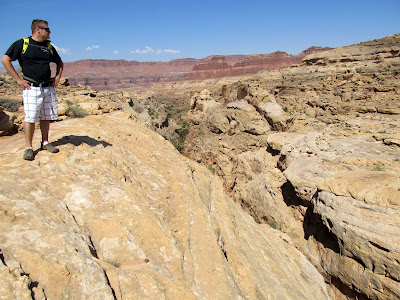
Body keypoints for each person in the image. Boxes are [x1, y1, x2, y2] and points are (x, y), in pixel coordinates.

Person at [1, 19, 64, 161]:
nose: (49, 32)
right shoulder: (23, 44)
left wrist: (57, 77)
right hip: (31, 87)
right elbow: (5, 59)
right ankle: (29, 147)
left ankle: (45, 142)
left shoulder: (48, 47)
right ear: (38, 30)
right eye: (47, 29)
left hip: (47, 87)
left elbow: (59, 63)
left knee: (46, 117)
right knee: (30, 118)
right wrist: (18, 79)